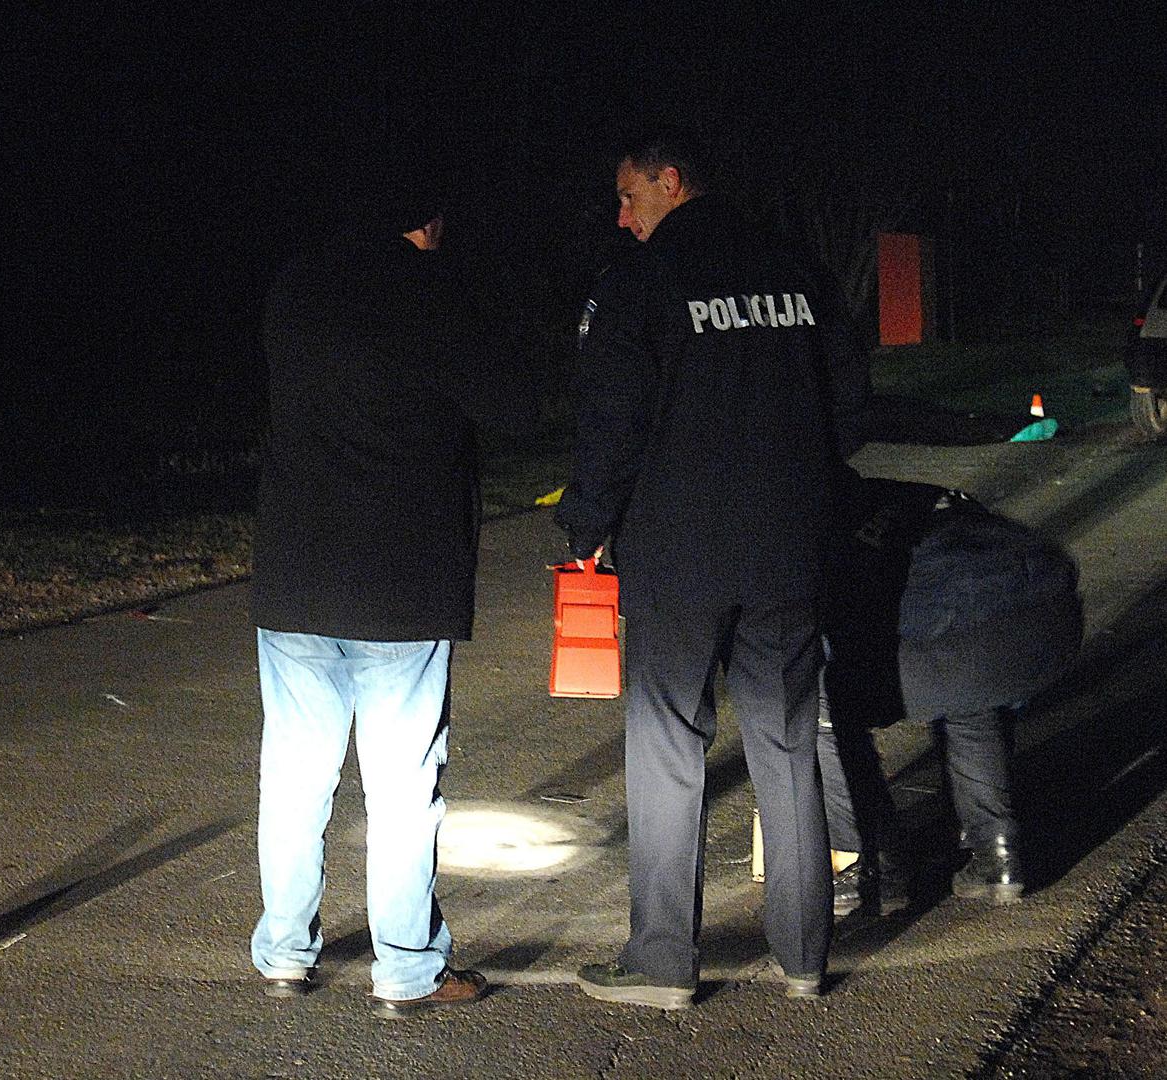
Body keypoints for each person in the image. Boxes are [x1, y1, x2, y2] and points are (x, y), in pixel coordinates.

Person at [555, 127, 871, 1007]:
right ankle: (804, 955)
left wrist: (585, 524)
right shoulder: (797, 272)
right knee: (786, 740)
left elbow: (612, 420)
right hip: (788, 546)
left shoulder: (640, 281)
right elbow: (850, 406)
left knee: (667, 744)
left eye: (629, 197)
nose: (622, 219)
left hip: (679, 551)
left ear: (669, 181)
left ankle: (663, 960)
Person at [249, 162, 536, 1018]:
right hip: (400, 580)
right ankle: (407, 967)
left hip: (296, 571)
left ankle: (284, 951)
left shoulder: (292, 286)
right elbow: (513, 404)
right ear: (428, 222)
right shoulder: (428, 293)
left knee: (294, 777)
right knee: (403, 788)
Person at [818, 476, 1082, 914]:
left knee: (824, 708)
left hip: (952, 630)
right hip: (1043, 621)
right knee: (970, 696)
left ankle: (874, 867)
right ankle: (998, 853)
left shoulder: (832, 521)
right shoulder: (924, 499)